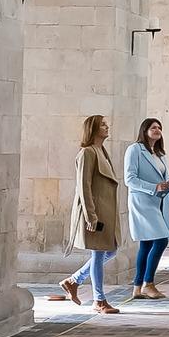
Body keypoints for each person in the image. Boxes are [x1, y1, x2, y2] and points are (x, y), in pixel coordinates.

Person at [51, 113, 121, 315]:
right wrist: (91, 215)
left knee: (111, 250)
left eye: (106, 124)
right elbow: (84, 186)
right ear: (93, 129)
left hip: (106, 210)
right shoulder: (87, 153)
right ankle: (99, 300)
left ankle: (74, 280)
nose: (107, 127)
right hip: (96, 210)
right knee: (98, 253)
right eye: (103, 125)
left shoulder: (102, 151)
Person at [124, 116, 169, 300]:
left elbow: (166, 183)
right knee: (161, 241)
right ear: (145, 131)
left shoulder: (160, 154)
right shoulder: (135, 150)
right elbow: (130, 179)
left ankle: (137, 287)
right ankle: (148, 284)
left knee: (146, 243)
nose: (157, 130)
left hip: (159, 202)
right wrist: (153, 187)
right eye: (153, 127)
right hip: (142, 202)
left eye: (159, 127)